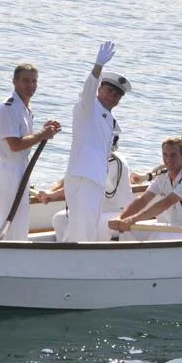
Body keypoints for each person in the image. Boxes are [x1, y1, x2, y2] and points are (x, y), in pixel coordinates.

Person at [64, 41, 132, 242]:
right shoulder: (88, 108)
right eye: (109, 90)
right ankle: (75, 261)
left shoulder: (110, 120)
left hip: (95, 179)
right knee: (83, 226)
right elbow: (88, 89)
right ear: (100, 89)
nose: (112, 96)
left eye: (117, 94)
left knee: (84, 224)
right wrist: (97, 66)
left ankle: (70, 258)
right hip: (83, 176)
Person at [0, 63, 61, 240]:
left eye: (34, 81)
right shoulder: (8, 108)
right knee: (9, 218)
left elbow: (26, 139)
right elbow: (14, 145)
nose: (31, 86)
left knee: (20, 217)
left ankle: (16, 248)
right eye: (25, 81)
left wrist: (43, 132)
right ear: (15, 82)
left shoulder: (25, 110)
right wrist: (41, 135)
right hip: (10, 170)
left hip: (22, 169)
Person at [109, 137, 182, 240]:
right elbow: (143, 200)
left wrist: (132, 220)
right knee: (127, 231)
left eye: (173, 155)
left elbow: (165, 203)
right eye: (165, 155)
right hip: (172, 226)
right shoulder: (163, 175)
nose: (168, 160)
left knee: (157, 236)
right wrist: (121, 218)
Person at [37, 134, 133, 241]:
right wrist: (50, 191)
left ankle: (92, 253)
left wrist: (52, 195)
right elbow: (70, 179)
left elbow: (81, 186)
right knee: (59, 219)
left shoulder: (114, 162)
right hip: (97, 210)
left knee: (95, 224)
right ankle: (64, 250)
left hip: (117, 211)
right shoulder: (93, 158)